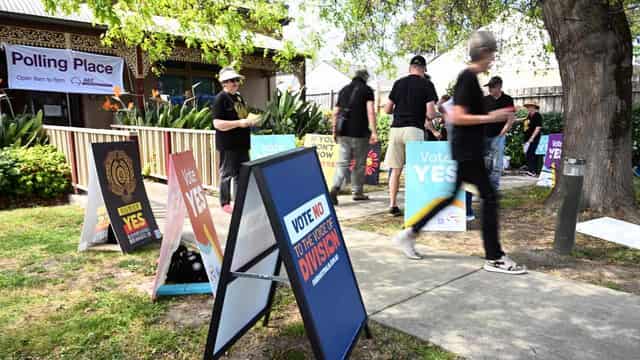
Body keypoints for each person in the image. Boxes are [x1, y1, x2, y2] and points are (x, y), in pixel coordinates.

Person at [391, 30, 527, 275]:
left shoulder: (470, 80)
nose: (493, 59)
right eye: (492, 53)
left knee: (450, 197)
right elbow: (458, 116)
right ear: (483, 52)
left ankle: (410, 233)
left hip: (467, 150)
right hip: (467, 151)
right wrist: (492, 116)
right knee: (489, 197)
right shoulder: (466, 79)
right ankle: (494, 256)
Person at [383, 55, 439, 216]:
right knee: (415, 170)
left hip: (396, 129)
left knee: (396, 170)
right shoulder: (427, 84)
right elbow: (430, 113)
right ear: (424, 69)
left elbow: (387, 110)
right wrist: (435, 115)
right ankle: (415, 205)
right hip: (414, 129)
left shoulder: (398, 83)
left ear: (409, 68)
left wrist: (401, 111)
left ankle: (392, 205)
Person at [466, 76, 515, 220]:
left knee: (496, 166)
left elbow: (510, 119)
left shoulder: (507, 100)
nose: (490, 89)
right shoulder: (484, 100)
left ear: (499, 87)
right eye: (489, 87)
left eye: (492, 87)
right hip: (483, 137)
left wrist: (502, 134)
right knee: (483, 166)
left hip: (498, 137)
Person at [212, 67, 258, 214]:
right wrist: (239, 123)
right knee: (226, 174)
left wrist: (251, 120)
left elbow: (242, 116)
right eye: (232, 81)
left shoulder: (238, 97)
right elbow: (217, 123)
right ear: (224, 83)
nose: (235, 83)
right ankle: (225, 202)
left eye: (237, 80)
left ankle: (240, 202)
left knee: (241, 174)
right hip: (229, 145)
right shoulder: (220, 99)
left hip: (243, 145)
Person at [329, 69, 378, 205]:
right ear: (365, 78)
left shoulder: (344, 90)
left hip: (343, 132)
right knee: (359, 163)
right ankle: (357, 192)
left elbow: (335, 112)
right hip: (360, 133)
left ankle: (335, 187)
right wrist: (374, 131)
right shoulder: (367, 90)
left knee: (342, 162)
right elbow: (370, 111)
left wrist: (334, 131)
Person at [523, 102, 543, 176]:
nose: (528, 108)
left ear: (534, 107)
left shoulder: (537, 115)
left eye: (529, 106)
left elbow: (538, 127)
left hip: (533, 138)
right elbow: (525, 121)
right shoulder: (529, 115)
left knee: (531, 153)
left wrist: (532, 138)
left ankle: (532, 171)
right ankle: (530, 169)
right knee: (528, 154)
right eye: (527, 107)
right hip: (527, 138)